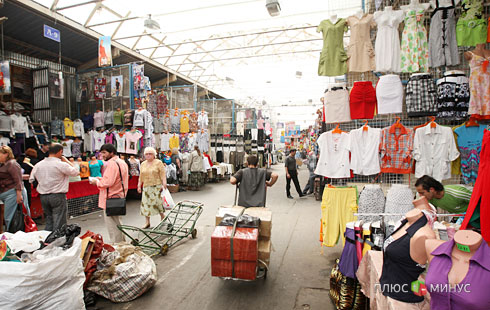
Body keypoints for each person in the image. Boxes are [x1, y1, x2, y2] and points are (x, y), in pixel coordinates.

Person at [29, 143, 79, 231]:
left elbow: (31, 179)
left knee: (49, 219)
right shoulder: (60, 164)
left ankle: (48, 239)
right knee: (59, 221)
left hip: (44, 196)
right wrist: (67, 161)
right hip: (57, 195)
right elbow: (75, 172)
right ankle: (57, 240)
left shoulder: (39, 164)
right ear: (60, 152)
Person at [89, 144, 128, 243]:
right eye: (101, 153)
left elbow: (108, 182)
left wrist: (97, 182)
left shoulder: (112, 164)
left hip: (110, 198)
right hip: (119, 196)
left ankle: (117, 246)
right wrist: (101, 179)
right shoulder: (121, 162)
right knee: (118, 223)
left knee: (112, 226)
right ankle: (122, 244)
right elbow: (116, 179)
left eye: (104, 153)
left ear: (112, 153)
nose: (102, 155)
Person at [138, 147, 167, 229]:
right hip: (146, 186)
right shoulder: (143, 164)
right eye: (146, 154)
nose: (148, 156)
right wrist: (139, 185)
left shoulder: (158, 163)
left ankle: (162, 217)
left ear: (154, 155)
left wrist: (164, 183)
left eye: (150, 154)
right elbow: (141, 176)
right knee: (145, 205)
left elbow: (163, 174)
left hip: (156, 186)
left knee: (157, 204)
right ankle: (147, 222)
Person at [0, 146, 23, 231]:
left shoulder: (12, 164)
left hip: (12, 192)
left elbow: (18, 179)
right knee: (9, 215)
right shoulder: (3, 164)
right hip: (6, 192)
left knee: (9, 216)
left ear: (6, 154)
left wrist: (19, 194)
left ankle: (11, 232)